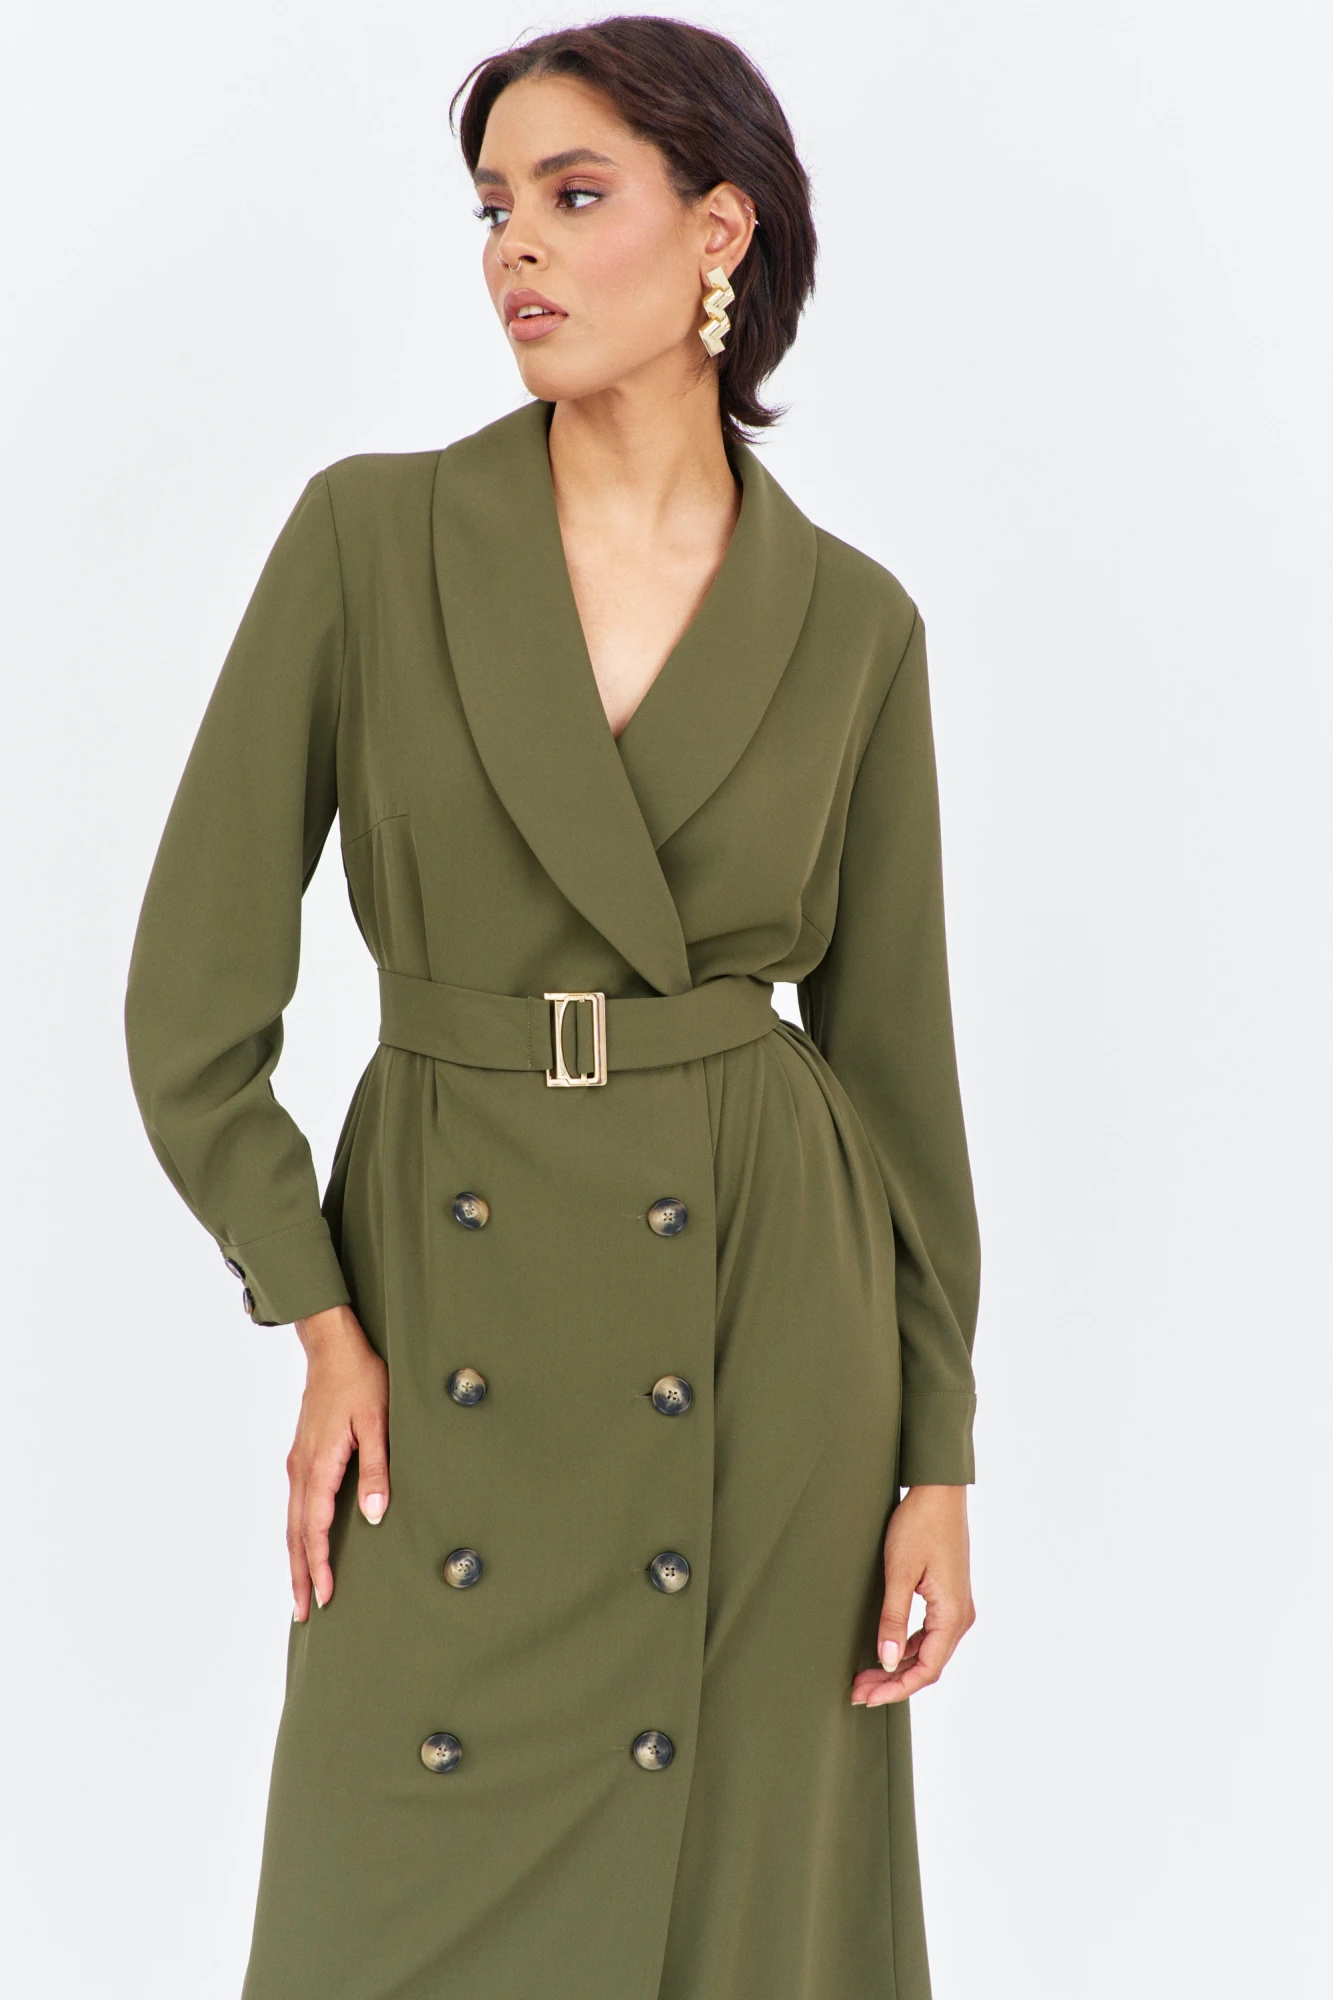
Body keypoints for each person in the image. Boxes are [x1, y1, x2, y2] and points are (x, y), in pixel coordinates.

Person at [123, 16, 981, 2000]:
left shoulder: (854, 623)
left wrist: (937, 1454)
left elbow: (897, 1072)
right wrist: (318, 1314)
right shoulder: (373, 538)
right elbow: (191, 1008)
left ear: (719, 234)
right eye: (495, 204)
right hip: (448, 1306)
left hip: (766, 1335)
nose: (515, 243)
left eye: (576, 195)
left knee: (738, 1914)